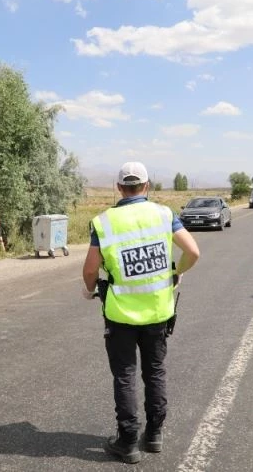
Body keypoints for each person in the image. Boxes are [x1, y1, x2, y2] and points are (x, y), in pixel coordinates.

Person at [82, 161, 201, 464]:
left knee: (125, 376)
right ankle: (155, 434)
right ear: (147, 186)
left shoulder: (104, 222)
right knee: (155, 372)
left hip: (120, 316)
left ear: (119, 188)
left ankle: (128, 442)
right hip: (158, 312)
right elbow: (193, 252)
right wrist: (175, 272)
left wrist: (89, 288)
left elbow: (91, 269)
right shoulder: (164, 214)